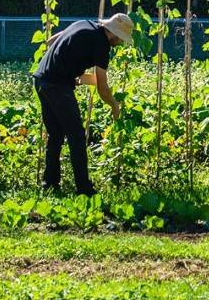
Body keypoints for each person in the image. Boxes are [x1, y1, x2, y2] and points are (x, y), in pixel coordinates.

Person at [32, 13, 133, 195]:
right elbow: (102, 87)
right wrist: (114, 105)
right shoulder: (102, 45)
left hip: (42, 79)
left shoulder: (83, 23)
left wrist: (69, 69)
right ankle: (84, 189)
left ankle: (50, 184)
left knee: (55, 134)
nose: (120, 43)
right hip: (57, 85)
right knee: (77, 136)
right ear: (115, 35)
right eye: (121, 39)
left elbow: (51, 41)